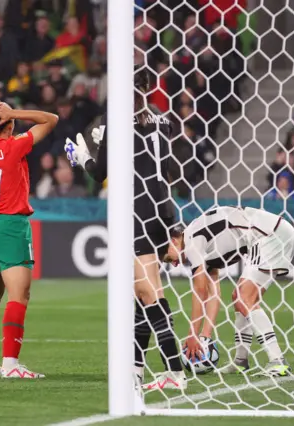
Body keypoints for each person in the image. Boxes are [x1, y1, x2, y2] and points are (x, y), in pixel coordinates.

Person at [64, 66, 185, 390]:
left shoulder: (118, 121)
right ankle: (134, 368)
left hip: (138, 210)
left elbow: (100, 172)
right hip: (160, 205)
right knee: (141, 292)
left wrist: (81, 156)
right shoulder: (161, 119)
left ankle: (175, 370)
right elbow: (160, 167)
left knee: (148, 292)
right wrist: (172, 224)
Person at [0, 101, 58, 379]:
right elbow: (50, 118)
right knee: (19, 296)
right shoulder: (13, 146)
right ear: (9, 125)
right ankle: (10, 365)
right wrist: (14, 112)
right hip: (10, 225)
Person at [162, 206, 294, 377]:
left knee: (244, 298)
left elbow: (200, 291)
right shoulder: (203, 245)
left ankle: (278, 361)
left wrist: (192, 335)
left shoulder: (192, 240)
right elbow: (213, 295)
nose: (174, 264)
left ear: (173, 241)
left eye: (168, 258)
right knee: (238, 298)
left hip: (270, 235)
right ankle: (240, 362)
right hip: (271, 234)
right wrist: (205, 336)